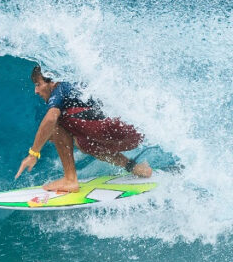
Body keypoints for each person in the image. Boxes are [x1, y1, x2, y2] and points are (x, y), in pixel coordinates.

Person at [14, 65, 152, 193]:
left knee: (56, 123)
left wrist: (33, 154)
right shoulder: (74, 91)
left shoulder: (60, 88)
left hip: (117, 129)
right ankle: (134, 168)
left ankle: (70, 179)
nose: (36, 90)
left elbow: (51, 119)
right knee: (82, 144)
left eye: (38, 84)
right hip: (131, 135)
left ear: (51, 82)